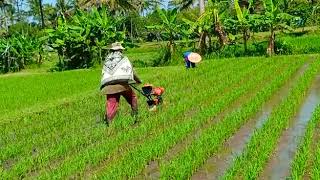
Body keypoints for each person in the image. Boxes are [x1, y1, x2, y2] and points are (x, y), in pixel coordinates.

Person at [100, 42, 142, 125]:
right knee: (133, 98)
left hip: (109, 87)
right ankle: (135, 117)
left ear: (111, 50)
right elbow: (131, 71)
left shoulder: (107, 60)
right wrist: (138, 81)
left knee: (111, 105)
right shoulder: (123, 58)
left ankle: (108, 124)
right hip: (122, 86)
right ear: (120, 50)